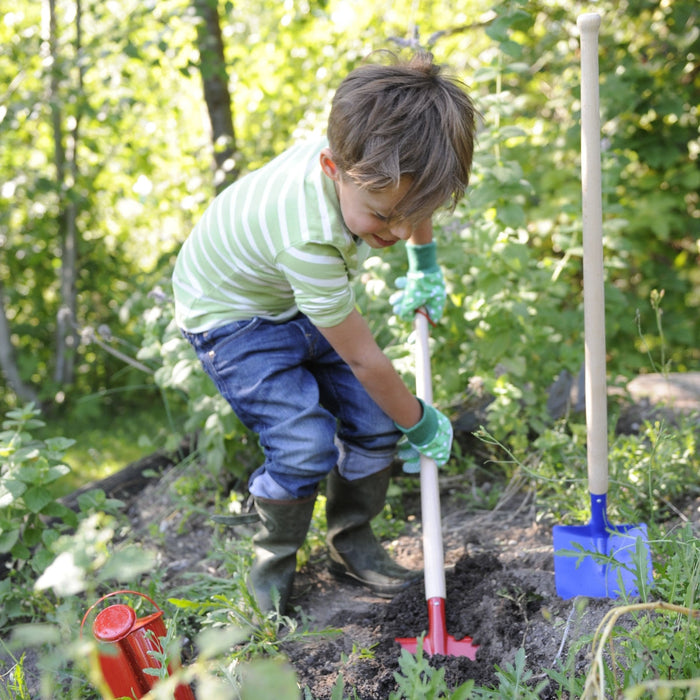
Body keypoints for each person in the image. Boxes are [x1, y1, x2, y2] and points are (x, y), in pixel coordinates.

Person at [172, 51, 477, 613]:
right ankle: (270, 565)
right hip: (232, 316)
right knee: (302, 443)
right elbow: (365, 361)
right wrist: (417, 418)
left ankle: (350, 541)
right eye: (385, 218)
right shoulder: (308, 239)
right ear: (333, 168)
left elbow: (415, 196)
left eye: (416, 213)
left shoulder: (377, 148)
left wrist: (424, 259)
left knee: (372, 424)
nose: (401, 229)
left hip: (288, 294)